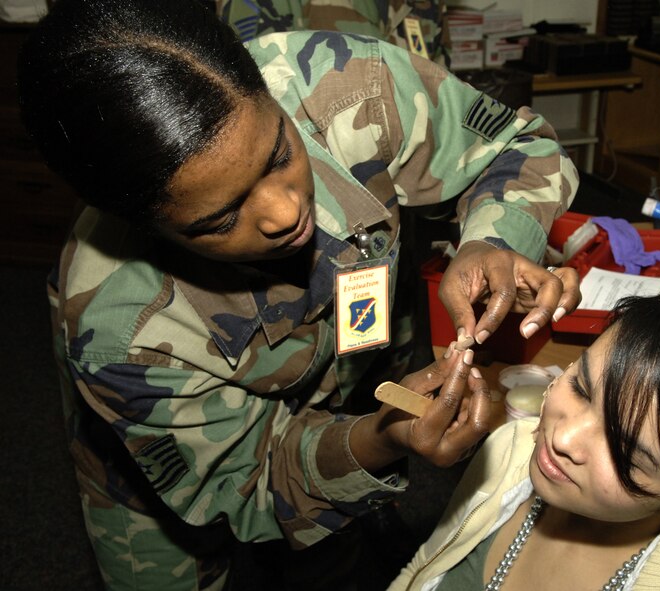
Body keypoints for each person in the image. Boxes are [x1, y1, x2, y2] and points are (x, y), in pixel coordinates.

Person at [17, 0, 581, 588]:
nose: (286, 213)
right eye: (219, 219)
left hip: (352, 366)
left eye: (280, 155)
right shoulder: (120, 332)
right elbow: (252, 482)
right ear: (143, 226)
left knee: (328, 560)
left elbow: (516, 146)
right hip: (177, 455)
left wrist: (488, 239)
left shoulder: (344, 85)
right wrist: (383, 438)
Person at [390, 281, 660, 591]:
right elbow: (422, 570)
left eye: (625, 451)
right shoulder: (509, 450)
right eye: (581, 387)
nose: (563, 437)